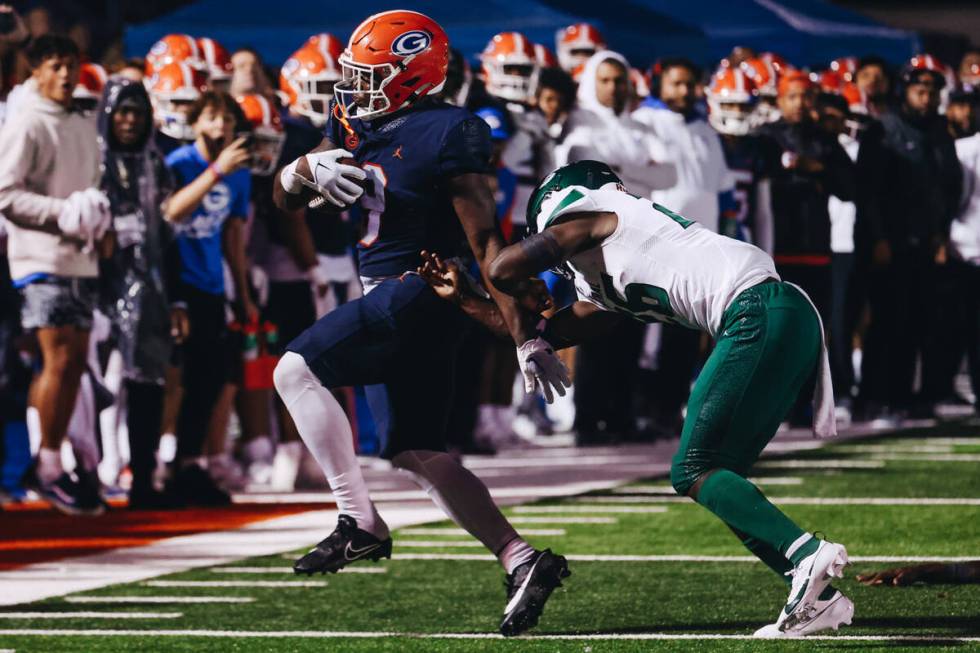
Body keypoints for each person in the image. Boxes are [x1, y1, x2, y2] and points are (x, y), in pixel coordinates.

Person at [422, 159, 847, 638]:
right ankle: (818, 598)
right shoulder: (607, 278)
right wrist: (468, 300)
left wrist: (517, 283)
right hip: (783, 316)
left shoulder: (601, 217)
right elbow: (541, 334)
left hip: (755, 312)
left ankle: (807, 555)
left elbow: (503, 267)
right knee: (718, 475)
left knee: (694, 467)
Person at [271, 11, 571, 637]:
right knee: (417, 451)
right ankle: (521, 559)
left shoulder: (450, 130)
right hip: (390, 293)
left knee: (295, 369)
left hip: (426, 288)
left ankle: (358, 522)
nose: (352, 86)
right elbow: (285, 201)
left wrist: (524, 333)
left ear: (413, 77)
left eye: (369, 75)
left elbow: (487, 240)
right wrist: (299, 171)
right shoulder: (354, 121)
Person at [0, 35, 111, 515]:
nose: (66, 74)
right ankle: (45, 464)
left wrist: (99, 220)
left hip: (80, 256)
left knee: (75, 360)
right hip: (40, 257)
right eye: (55, 66)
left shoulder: (84, 120)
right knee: (58, 359)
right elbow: (5, 193)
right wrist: (61, 212)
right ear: (36, 73)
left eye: (72, 64)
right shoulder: (26, 121)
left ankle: (53, 459)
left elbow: (92, 188)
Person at [97, 76, 189, 508]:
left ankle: (142, 476)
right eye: (122, 111)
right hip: (93, 286)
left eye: (137, 112)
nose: (129, 120)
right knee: (100, 385)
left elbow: (169, 241)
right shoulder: (91, 162)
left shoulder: (158, 165)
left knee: (147, 386)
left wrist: (176, 299)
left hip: (148, 290)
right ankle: (94, 468)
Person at [855, 56, 962, 421]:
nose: (928, 97)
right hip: (890, 242)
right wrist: (879, 238)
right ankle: (873, 396)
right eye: (921, 90)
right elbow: (868, 192)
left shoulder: (938, 133)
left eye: (933, 90)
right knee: (886, 321)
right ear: (906, 91)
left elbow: (949, 189)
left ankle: (905, 395)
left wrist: (941, 235)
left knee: (919, 323)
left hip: (925, 243)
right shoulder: (882, 130)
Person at [164, 90, 255, 505]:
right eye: (213, 118)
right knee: (172, 378)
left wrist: (242, 291)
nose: (221, 127)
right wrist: (217, 171)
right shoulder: (179, 163)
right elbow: (172, 212)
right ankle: (153, 463)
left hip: (211, 284)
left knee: (212, 378)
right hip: (173, 281)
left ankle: (191, 463)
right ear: (197, 123)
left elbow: (233, 234)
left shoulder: (240, 173)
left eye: (229, 121)